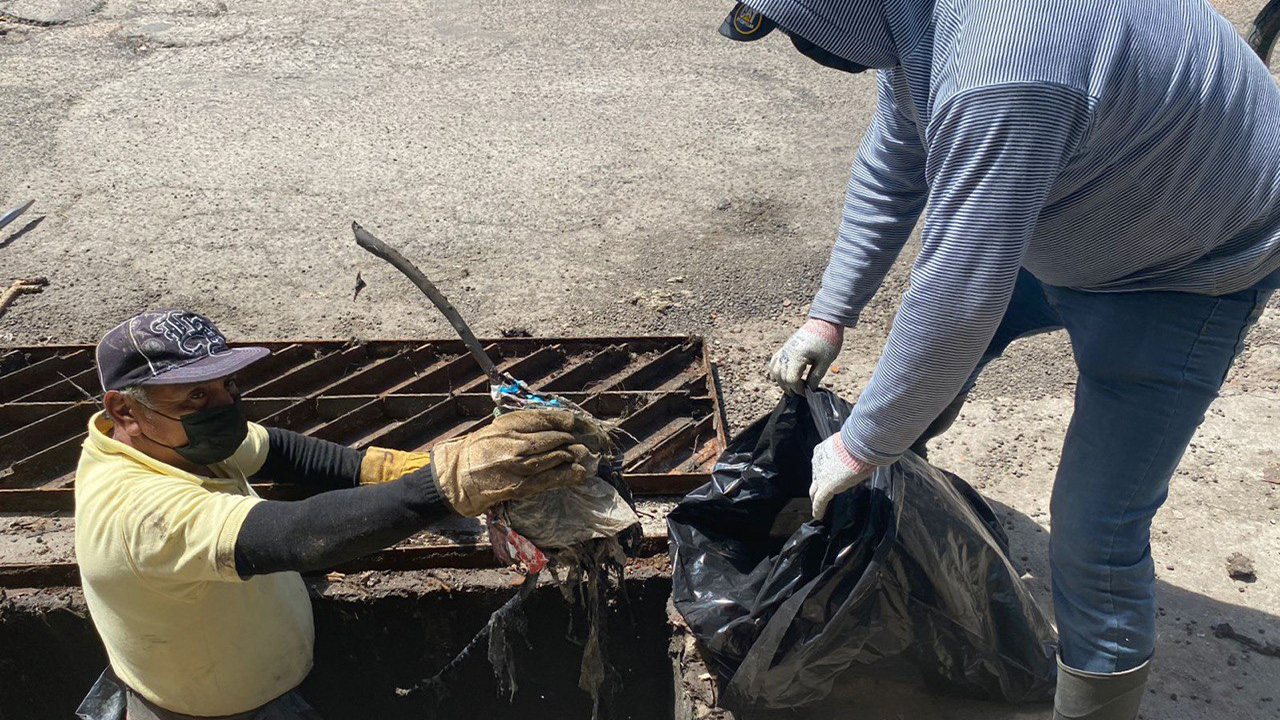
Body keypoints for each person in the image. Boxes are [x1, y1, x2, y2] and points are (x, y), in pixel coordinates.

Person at [719, 0, 1280, 718]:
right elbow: (898, 156)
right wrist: (828, 318)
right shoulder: (920, 19)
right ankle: (890, 521)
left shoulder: (1008, 69)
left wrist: (864, 443)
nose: (804, 45)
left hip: (1182, 268)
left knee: (1095, 533)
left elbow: (958, 296)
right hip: (1073, 204)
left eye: (804, 23)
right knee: (921, 374)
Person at [74, 309, 598, 720]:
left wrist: (398, 468)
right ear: (124, 410)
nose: (227, 405)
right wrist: (448, 482)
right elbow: (300, 536)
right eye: (198, 395)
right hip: (213, 712)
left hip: (261, 672)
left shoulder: (171, 438)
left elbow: (282, 450)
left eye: (229, 386)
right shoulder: (136, 514)